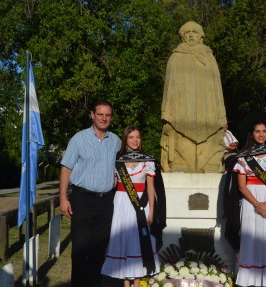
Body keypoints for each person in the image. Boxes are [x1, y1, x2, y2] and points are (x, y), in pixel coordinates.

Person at [59, 100, 121, 287]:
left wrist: (116, 178)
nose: (104, 118)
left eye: (107, 115)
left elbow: (120, 168)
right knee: (80, 249)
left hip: (105, 202)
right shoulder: (78, 139)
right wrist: (63, 198)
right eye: (100, 114)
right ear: (92, 115)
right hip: (82, 200)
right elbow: (66, 168)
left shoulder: (116, 141)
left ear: (111, 117)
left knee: (99, 250)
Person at [160, 21, 227, 173]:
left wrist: (219, 115)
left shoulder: (209, 57)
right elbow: (169, 87)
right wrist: (168, 113)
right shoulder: (176, 57)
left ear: (200, 35)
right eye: (187, 32)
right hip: (182, 109)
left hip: (206, 108)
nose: (190, 35)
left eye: (194, 32)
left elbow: (217, 88)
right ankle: (179, 161)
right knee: (179, 132)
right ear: (182, 37)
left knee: (210, 132)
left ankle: (210, 162)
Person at [101, 126, 161, 287]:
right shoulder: (117, 160)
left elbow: (151, 187)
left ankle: (137, 281)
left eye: (138, 137)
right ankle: (125, 283)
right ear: (125, 140)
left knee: (138, 241)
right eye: (131, 137)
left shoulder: (147, 160)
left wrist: (152, 212)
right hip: (121, 203)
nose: (135, 140)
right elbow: (112, 184)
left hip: (141, 205)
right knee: (123, 240)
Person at [233, 120, 266, 287]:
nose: (261, 134)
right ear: (252, 134)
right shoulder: (244, 156)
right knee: (252, 239)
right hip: (251, 201)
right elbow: (242, 186)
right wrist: (258, 205)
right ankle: (251, 279)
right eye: (257, 131)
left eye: (264, 131)